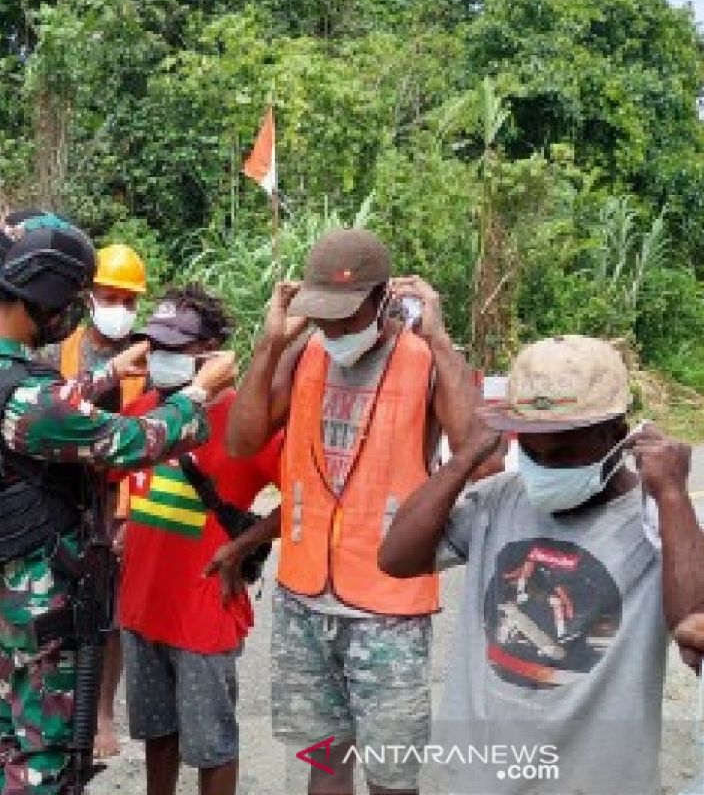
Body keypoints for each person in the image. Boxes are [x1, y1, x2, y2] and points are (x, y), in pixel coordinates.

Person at [0, 210, 237, 794]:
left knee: (4, 734)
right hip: (48, 608)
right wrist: (199, 391)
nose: (73, 310)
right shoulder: (31, 399)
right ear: (43, 295)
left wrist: (110, 371)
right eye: (68, 296)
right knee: (48, 759)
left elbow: (44, 408)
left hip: (4, 596)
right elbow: (132, 439)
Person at [379, 335, 704, 794]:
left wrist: (671, 493)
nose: (544, 468)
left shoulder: (659, 517)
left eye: (564, 453)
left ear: (618, 434)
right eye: (532, 452)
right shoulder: (500, 499)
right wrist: (465, 460)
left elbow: (695, 631)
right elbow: (396, 559)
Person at [223, 228, 479, 794]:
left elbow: (479, 460)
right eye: (322, 315)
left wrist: (441, 342)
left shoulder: (425, 361)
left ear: (383, 297)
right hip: (303, 602)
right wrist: (268, 346)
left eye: (345, 315)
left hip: (388, 608)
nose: (332, 329)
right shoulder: (302, 352)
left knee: (391, 774)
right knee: (322, 762)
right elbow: (241, 443)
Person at [116, 284, 282, 795]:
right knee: (157, 735)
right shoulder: (142, 409)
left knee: (212, 746)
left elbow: (305, 496)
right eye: (157, 345)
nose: (164, 357)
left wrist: (242, 544)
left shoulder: (241, 418)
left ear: (211, 352)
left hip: (203, 614)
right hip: (140, 609)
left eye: (178, 347)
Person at [41, 242, 150, 758]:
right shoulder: (58, 351)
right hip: (65, 496)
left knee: (110, 613)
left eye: (130, 301)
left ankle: (103, 712)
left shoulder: (151, 359)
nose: (121, 309)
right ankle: (56, 703)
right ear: (89, 297)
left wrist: (128, 514)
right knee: (58, 605)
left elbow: (150, 439)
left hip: (119, 496)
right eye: (112, 297)